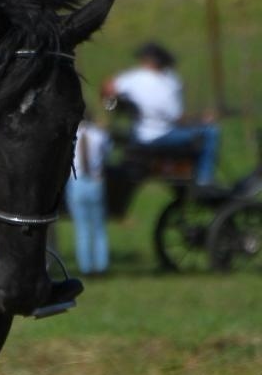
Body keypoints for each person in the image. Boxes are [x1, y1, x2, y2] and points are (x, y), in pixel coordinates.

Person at [101, 42, 220, 185]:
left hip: (139, 134)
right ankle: (204, 180)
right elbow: (179, 119)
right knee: (210, 132)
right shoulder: (168, 83)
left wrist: (112, 104)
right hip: (160, 135)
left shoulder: (132, 78)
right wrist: (201, 119)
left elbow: (107, 87)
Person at [65, 113, 111, 276]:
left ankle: (86, 267)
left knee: (82, 228)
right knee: (99, 227)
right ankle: (101, 265)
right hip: (95, 181)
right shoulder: (99, 134)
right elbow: (108, 155)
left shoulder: (70, 136)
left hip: (76, 182)